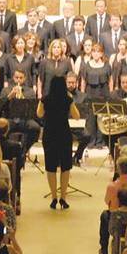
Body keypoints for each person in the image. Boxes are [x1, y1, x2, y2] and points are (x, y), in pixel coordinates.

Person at [37, 75, 79, 209]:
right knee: (65, 166)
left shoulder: (45, 99)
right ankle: (63, 198)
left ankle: (54, 197)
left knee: (51, 166)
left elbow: (39, 114)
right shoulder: (68, 99)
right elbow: (77, 116)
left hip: (49, 134)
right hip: (64, 134)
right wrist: (70, 100)